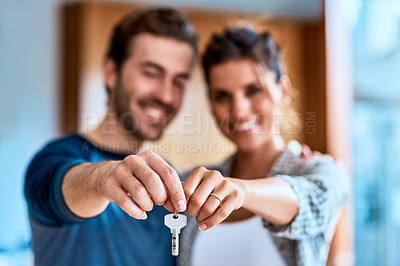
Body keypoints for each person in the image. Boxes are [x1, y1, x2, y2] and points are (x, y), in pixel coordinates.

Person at [24, 7, 198, 266]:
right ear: (111, 73)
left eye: (179, 81)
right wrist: (100, 178)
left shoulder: (166, 174)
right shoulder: (55, 158)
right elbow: (66, 184)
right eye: (151, 73)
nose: (165, 95)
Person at [178, 27, 351, 266]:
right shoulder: (193, 185)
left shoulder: (321, 172)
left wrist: (242, 192)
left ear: (283, 91)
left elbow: (312, 203)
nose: (238, 110)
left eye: (254, 90)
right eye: (222, 96)